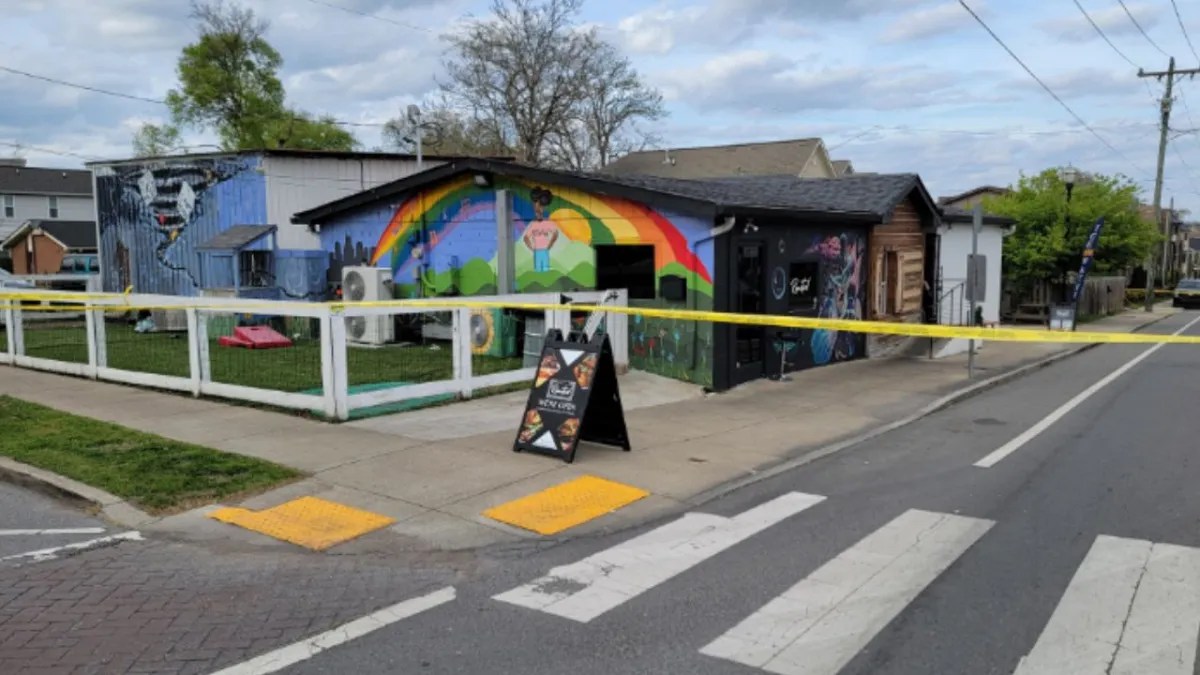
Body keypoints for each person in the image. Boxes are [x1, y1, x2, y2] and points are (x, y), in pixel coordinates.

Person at [523, 188, 559, 273]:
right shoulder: (533, 225)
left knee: (545, 268)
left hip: (544, 250)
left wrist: (550, 245)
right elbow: (526, 237)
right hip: (537, 250)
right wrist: (532, 248)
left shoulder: (548, 223)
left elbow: (555, 233)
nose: (538, 210)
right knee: (538, 269)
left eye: (541, 207)